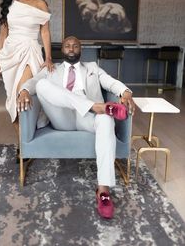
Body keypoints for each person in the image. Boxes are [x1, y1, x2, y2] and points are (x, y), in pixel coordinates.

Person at [17, 36, 135, 219]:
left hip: (86, 118)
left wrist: (125, 93)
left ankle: (103, 190)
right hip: (61, 117)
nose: (71, 48)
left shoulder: (92, 68)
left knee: (106, 120)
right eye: (67, 45)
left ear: (81, 49)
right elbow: (32, 84)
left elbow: (110, 82)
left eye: (75, 46)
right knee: (41, 84)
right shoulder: (51, 68)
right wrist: (24, 91)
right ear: (62, 50)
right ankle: (98, 107)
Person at [0, 0, 53, 132]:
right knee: (13, 101)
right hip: (10, 54)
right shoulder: (9, 4)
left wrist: (48, 57)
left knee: (22, 94)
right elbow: (2, 35)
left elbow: (45, 32)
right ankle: (23, 146)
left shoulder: (40, 4)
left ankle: (28, 141)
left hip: (30, 51)